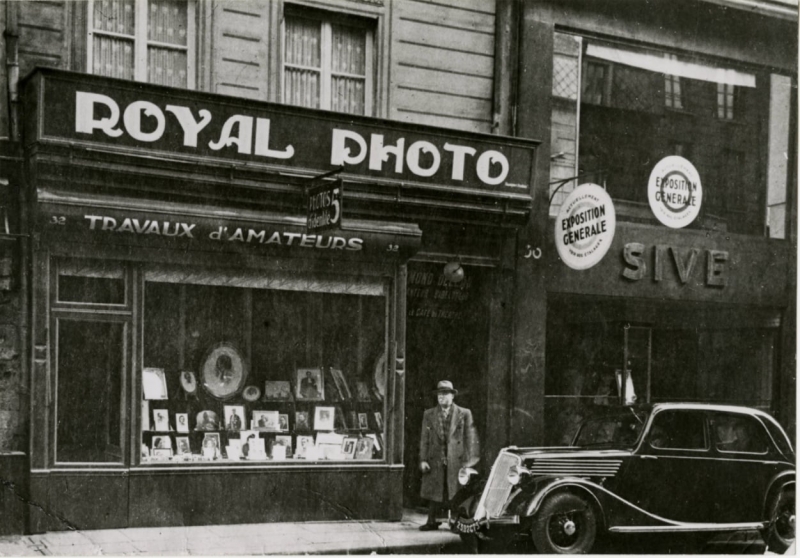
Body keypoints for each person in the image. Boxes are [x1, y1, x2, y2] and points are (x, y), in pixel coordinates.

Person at [418, 380, 479, 531]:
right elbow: (424, 439)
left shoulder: (464, 413)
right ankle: (432, 521)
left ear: (452, 396)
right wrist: (423, 459)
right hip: (435, 459)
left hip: (457, 459)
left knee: (456, 492)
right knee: (435, 491)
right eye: (439, 394)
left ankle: (457, 523)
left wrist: (469, 462)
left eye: (445, 394)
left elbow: (470, 439)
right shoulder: (429, 414)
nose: (441, 397)